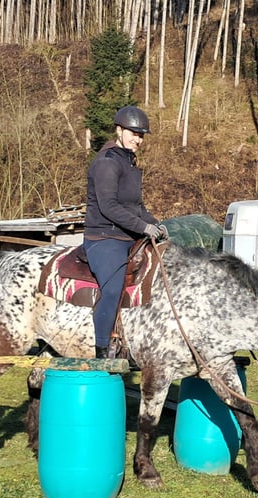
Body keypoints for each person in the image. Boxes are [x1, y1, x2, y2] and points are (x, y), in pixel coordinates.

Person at [83, 105, 168, 360]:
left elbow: (136, 206)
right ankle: (101, 350)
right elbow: (109, 207)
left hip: (129, 236)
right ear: (119, 130)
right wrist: (144, 227)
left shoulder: (130, 163)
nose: (138, 140)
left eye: (141, 135)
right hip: (105, 238)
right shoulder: (106, 164)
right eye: (134, 133)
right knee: (112, 288)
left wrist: (156, 224)